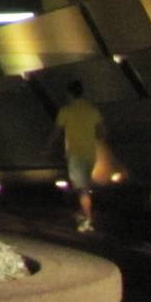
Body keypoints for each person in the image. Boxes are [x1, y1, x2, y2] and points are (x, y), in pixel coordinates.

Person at [44, 80, 106, 232]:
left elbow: (57, 132)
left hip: (75, 155)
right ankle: (83, 213)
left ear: (69, 94)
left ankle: (87, 219)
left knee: (82, 188)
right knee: (83, 186)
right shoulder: (92, 110)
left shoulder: (66, 110)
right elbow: (102, 132)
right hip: (90, 154)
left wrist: (47, 147)